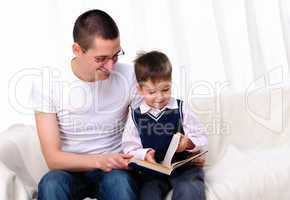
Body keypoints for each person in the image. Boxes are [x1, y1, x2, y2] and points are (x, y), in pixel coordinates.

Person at [30, 9, 141, 200]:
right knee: (51, 183)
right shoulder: (47, 83)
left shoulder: (130, 75)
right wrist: (99, 161)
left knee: (120, 184)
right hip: (70, 170)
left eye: (115, 55)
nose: (111, 67)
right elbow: (53, 159)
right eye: (101, 59)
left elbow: (148, 126)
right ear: (77, 50)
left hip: (115, 170)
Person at [122, 51, 208, 200]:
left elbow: (200, 135)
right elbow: (129, 148)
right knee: (148, 194)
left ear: (171, 83)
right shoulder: (135, 115)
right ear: (140, 90)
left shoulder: (181, 108)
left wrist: (189, 143)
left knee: (189, 189)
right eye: (151, 92)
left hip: (183, 168)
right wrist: (145, 154)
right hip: (153, 172)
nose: (160, 97)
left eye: (165, 90)